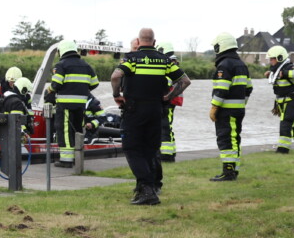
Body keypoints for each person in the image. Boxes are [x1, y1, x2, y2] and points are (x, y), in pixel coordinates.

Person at [110, 29, 189, 205]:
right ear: (154, 42)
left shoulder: (132, 59)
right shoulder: (164, 60)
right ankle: (148, 187)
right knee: (150, 150)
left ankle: (146, 189)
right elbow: (185, 81)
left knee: (132, 148)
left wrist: (116, 95)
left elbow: (115, 76)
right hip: (156, 110)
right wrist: (169, 96)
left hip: (134, 110)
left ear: (139, 41)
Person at [46, 40, 98, 168]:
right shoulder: (86, 65)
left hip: (65, 105)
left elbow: (56, 84)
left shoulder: (61, 65)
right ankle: (77, 158)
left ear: (62, 51)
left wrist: (50, 90)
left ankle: (66, 160)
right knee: (77, 130)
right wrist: (80, 88)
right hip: (81, 105)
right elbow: (94, 83)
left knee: (64, 131)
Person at [209, 31, 252, 182]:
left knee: (226, 139)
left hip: (226, 111)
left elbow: (221, 89)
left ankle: (228, 172)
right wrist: (241, 103)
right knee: (235, 139)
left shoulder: (225, 65)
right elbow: (249, 88)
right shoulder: (241, 64)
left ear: (220, 47)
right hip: (238, 110)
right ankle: (234, 170)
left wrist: (214, 107)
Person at [267, 45, 294, 154]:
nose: (270, 61)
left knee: (286, 123)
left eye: (272, 59)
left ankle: (282, 150)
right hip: (282, 102)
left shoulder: (290, 69)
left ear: (280, 58)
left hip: (293, 101)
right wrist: (270, 75)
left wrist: (286, 73)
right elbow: (278, 87)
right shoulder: (276, 71)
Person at [156, 41, 182, 161]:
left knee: (165, 126)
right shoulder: (173, 62)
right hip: (171, 99)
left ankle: (166, 155)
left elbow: (167, 82)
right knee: (168, 126)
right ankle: (171, 152)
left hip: (168, 100)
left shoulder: (168, 63)